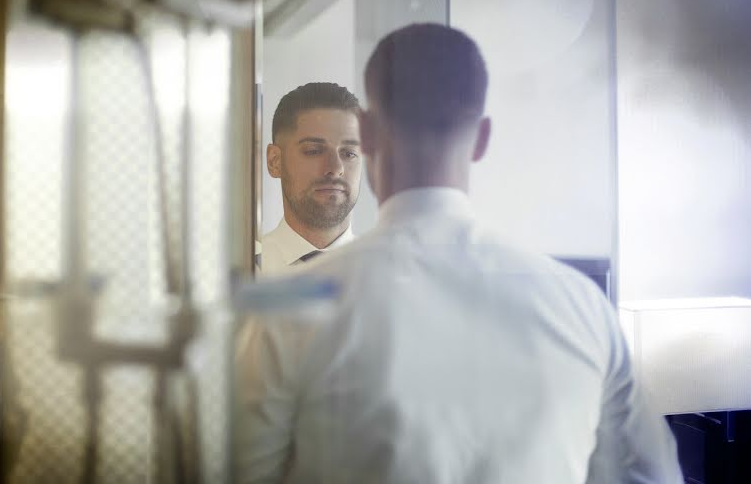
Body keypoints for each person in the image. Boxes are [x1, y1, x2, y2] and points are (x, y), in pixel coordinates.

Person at [236, 24, 682, 483]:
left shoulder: (288, 309)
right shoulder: (583, 308)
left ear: (365, 135)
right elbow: (649, 476)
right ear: (483, 137)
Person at [257, 82, 363, 275]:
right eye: (314, 151)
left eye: (349, 153)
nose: (336, 168)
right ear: (275, 161)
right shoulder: (242, 274)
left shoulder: (394, 275)